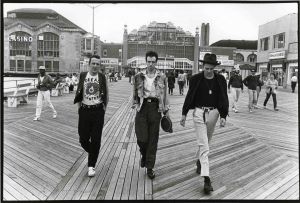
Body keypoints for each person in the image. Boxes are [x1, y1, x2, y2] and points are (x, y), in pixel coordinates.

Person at [180, 53, 229, 194]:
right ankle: (206, 179)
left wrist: (223, 116)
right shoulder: (195, 79)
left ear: (214, 68)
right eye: (206, 68)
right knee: (204, 145)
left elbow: (223, 98)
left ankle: (199, 161)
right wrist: (184, 114)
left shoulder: (220, 80)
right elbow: (190, 96)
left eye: (211, 69)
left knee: (206, 141)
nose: (208, 71)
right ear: (202, 66)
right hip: (199, 113)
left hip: (214, 113)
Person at [132, 51, 170, 179]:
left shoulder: (162, 77)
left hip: (155, 108)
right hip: (142, 108)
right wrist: (135, 104)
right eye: (149, 61)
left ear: (156, 62)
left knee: (153, 139)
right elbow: (134, 93)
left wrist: (166, 110)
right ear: (146, 61)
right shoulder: (138, 76)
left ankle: (150, 167)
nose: (151, 64)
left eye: (153, 62)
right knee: (141, 137)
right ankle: (143, 154)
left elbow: (165, 95)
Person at [74, 55, 109, 177]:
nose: (95, 66)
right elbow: (79, 91)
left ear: (99, 66)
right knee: (82, 138)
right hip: (84, 110)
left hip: (98, 111)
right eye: (93, 63)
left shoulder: (102, 77)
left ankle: (91, 166)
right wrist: (79, 108)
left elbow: (107, 95)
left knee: (96, 139)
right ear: (89, 64)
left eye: (97, 64)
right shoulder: (83, 75)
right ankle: (94, 151)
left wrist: (103, 109)